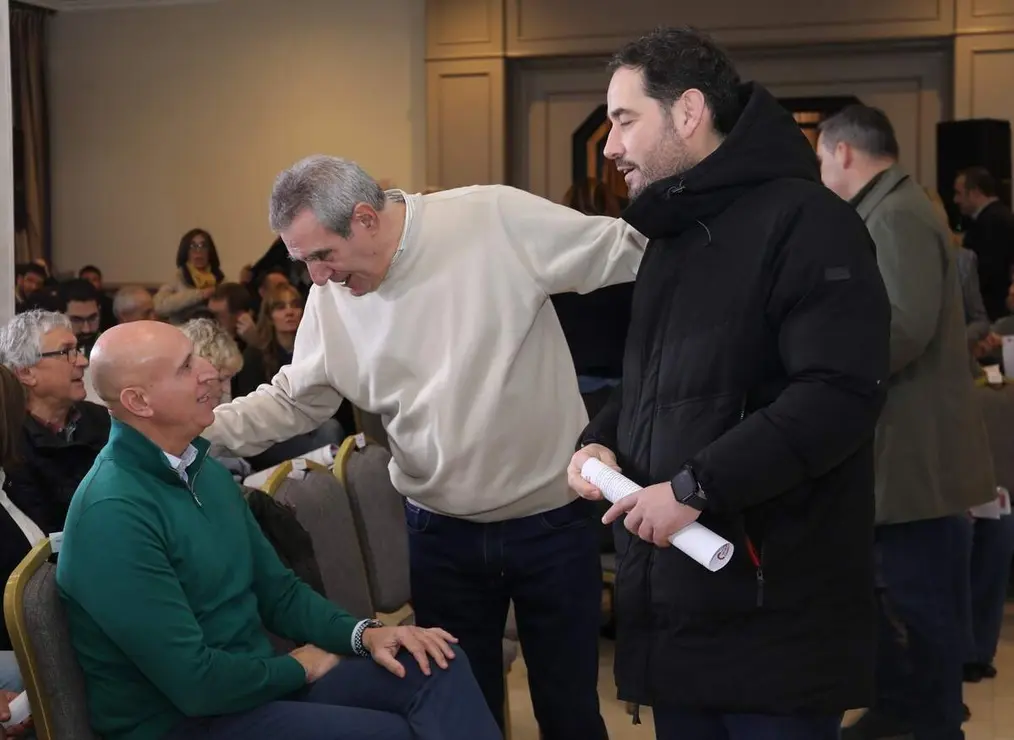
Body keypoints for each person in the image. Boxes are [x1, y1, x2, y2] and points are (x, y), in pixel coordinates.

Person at [204, 156, 646, 737]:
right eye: (303, 260)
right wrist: (193, 428)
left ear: (365, 219)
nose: (317, 277)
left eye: (323, 255)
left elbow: (631, 252)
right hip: (440, 534)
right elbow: (296, 400)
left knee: (570, 712)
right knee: (459, 712)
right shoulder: (333, 296)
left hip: (551, 523)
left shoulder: (490, 218)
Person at [567, 27, 891, 740]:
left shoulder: (809, 222)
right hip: (682, 615)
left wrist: (693, 489)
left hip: (773, 611)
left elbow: (837, 394)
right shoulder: (674, 235)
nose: (611, 145)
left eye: (625, 120)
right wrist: (600, 441)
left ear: (687, 112)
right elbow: (657, 383)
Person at [56, 320, 500, 740]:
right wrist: (300, 667)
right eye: (186, 366)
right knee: (392, 733)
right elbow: (194, 685)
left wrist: (365, 635)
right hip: (182, 723)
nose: (209, 371)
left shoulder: (201, 469)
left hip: (251, 690)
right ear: (139, 402)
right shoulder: (112, 513)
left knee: (436, 663)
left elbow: (279, 592)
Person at [817, 104, 995, 740]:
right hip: (904, 449)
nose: (821, 173)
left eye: (820, 158)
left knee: (919, 605)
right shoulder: (895, 207)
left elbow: (903, 326)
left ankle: (930, 723)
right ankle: (901, 711)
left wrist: (823, 366)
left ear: (843, 152)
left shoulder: (894, 213)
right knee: (894, 600)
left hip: (915, 455)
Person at [953, 166, 1014, 321]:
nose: (955, 200)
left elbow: (985, 273)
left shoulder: (991, 222)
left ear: (975, 192)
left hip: (992, 313)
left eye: (959, 193)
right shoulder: (999, 216)